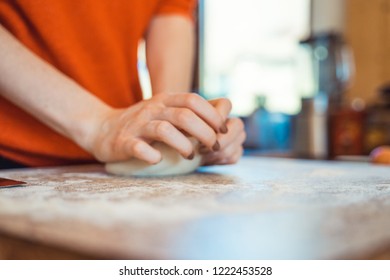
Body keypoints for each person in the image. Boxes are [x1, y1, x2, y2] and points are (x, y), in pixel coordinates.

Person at [0, 0, 245, 170]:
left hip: (114, 159)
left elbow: (171, 10)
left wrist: (177, 135)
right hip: (11, 156)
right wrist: (98, 124)